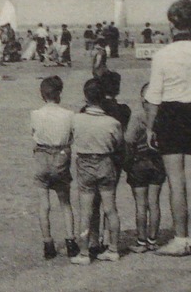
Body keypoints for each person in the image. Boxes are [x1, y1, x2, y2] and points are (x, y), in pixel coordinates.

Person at [142, 0, 191, 256]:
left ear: (172, 23)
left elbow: (154, 97)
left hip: (172, 115)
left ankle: (179, 237)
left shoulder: (164, 54)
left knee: (176, 182)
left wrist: (150, 128)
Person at [69, 76, 126, 263]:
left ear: (85, 97)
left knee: (85, 210)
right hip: (105, 162)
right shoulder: (112, 123)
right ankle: (113, 248)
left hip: (85, 163)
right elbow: (118, 144)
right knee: (110, 208)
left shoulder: (76, 119)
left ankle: (84, 252)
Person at [30, 75, 80, 262]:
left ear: (42, 95)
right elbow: (72, 137)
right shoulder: (69, 115)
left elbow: (34, 134)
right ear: (59, 93)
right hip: (60, 156)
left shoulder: (35, 114)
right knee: (65, 202)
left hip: (42, 156)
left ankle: (48, 243)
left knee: (44, 204)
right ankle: (70, 240)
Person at [122, 83, 166, 251]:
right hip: (157, 161)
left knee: (141, 204)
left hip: (139, 162)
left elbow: (129, 140)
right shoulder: (162, 116)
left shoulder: (138, 116)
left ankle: (141, 241)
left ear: (142, 98)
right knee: (154, 202)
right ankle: (153, 240)